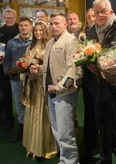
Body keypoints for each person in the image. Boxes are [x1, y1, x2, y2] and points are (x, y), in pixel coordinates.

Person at [85, 0, 116, 164]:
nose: (99, 15)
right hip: (99, 89)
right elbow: (85, 53)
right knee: (102, 127)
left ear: (111, 12)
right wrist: (88, 64)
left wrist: (107, 65)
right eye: (97, 12)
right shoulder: (91, 32)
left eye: (103, 11)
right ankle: (105, 158)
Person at [39, 13, 83, 164]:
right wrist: (37, 69)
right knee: (56, 130)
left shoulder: (71, 41)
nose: (53, 26)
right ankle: (64, 159)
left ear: (65, 25)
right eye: (51, 23)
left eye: (56, 23)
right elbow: (50, 66)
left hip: (64, 94)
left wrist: (58, 88)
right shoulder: (50, 43)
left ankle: (71, 162)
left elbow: (75, 71)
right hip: (50, 93)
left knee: (65, 133)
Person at [20, 21, 58, 160]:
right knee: (34, 114)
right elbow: (24, 66)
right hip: (34, 87)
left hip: (46, 87)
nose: (38, 33)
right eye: (36, 30)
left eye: (41, 30)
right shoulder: (30, 48)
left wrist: (39, 71)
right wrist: (28, 74)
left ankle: (46, 147)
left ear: (46, 31)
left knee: (46, 117)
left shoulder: (50, 46)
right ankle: (33, 146)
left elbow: (52, 68)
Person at [3, 17, 33, 142]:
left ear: (30, 26)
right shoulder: (11, 42)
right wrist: (7, 71)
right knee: (19, 104)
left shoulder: (35, 41)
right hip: (15, 79)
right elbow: (7, 60)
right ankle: (22, 127)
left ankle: (32, 129)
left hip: (31, 79)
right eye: (21, 25)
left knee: (32, 103)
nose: (23, 27)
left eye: (26, 25)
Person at [0, 8, 20, 132]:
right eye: (7, 18)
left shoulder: (21, 29)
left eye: (11, 18)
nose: (9, 20)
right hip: (2, 68)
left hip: (20, 68)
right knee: (5, 96)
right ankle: (9, 120)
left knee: (22, 96)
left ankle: (24, 122)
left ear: (15, 18)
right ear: (3, 18)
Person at [79, 8, 99, 164]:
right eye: (89, 17)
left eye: (94, 16)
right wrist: (87, 65)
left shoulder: (102, 32)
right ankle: (89, 144)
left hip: (103, 81)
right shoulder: (83, 36)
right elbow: (80, 55)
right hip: (89, 80)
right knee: (90, 113)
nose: (92, 19)